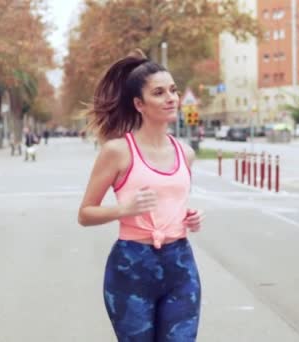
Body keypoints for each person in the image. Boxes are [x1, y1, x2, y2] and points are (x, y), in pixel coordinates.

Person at [77, 49, 204, 341]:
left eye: (173, 90)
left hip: (180, 265)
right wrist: (124, 209)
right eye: (159, 93)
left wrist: (190, 217)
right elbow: (85, 214)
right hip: (131, 267)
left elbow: (173, 204)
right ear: (139, 104)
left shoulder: (186, 153)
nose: (171, 98)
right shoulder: (117, 151)